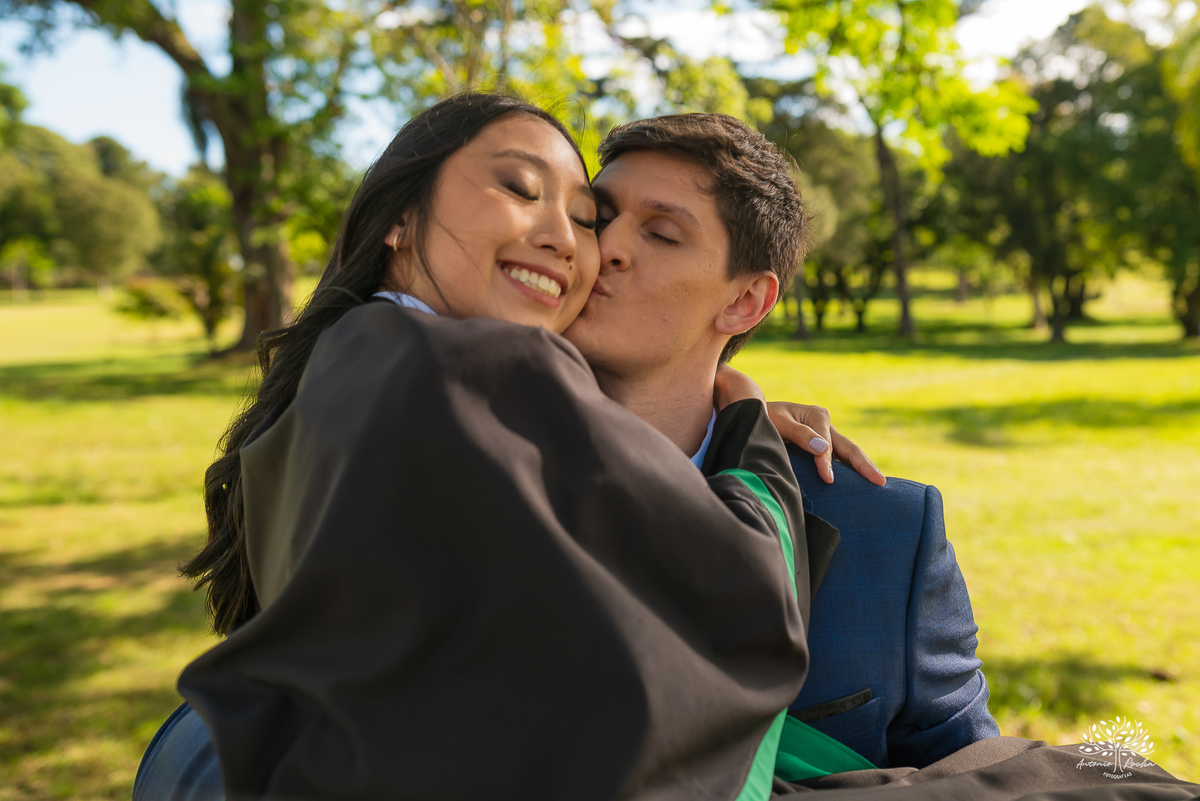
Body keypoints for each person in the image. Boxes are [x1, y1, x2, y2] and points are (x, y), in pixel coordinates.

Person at [137, 92, 838, 801]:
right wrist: (743, 404)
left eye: (580, 218)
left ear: (746, 301)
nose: (574, 242)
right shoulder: (477, 376)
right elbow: (746, 596)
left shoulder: (344, 369)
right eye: (519, 188)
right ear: (401, 218)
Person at [562, 112, 998, 771]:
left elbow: (977, 777)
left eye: (662, 233)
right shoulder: (453, 476)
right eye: (596, 216)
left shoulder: (888, 534)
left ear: (745, 302)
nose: (607, 247)